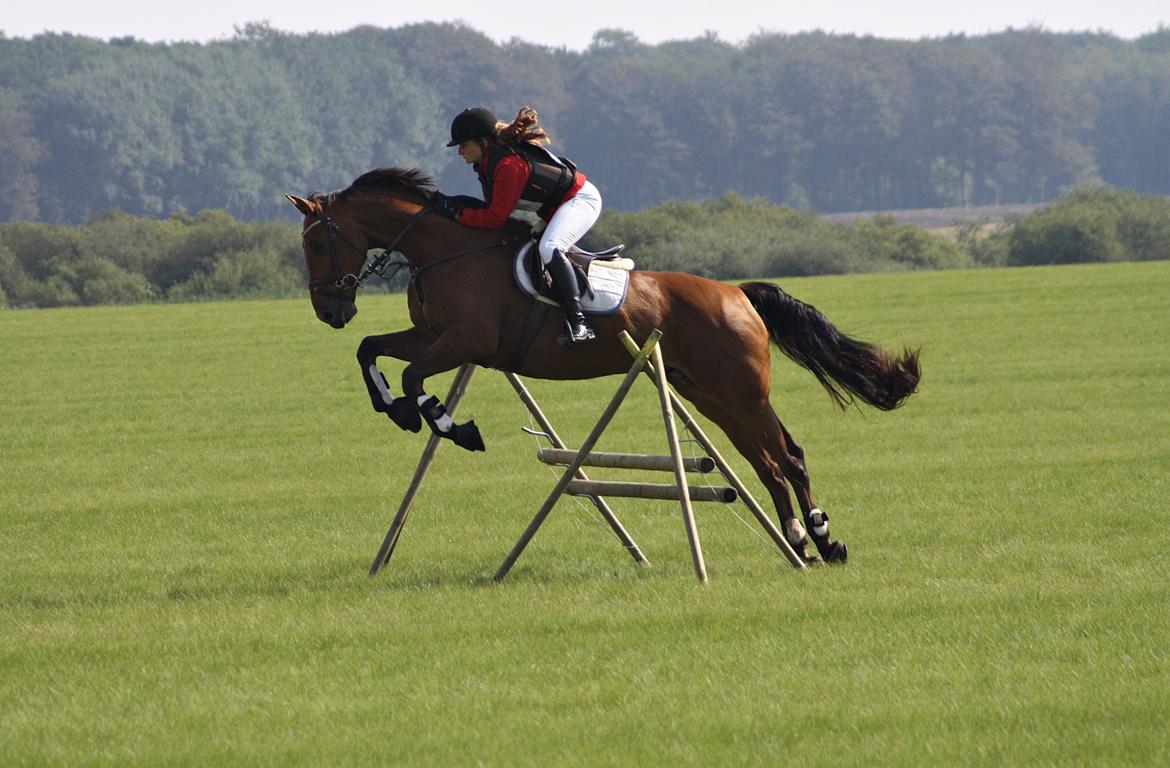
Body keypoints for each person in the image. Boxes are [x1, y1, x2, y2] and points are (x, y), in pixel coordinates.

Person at [431, 106, 600, 345]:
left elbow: (494, 218)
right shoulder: (487, 164)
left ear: (482, 142)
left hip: (580, 200)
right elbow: (492, 211)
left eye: (463, 144)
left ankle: (579, 322)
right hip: (554, 208)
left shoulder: (508, 166)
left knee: (549, 248)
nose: (459, 151)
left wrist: (457, 214)